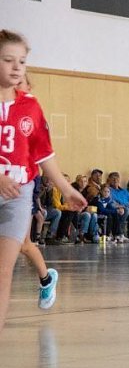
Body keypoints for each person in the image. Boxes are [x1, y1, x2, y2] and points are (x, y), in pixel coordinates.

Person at [0, 30, 86, 333]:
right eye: (8, 60)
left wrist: (66, 188)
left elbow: (43, 153)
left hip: (19, 192)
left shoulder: (31, 108)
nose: (15, 68)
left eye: (21, 62)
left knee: (6, 267)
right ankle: (45, 278)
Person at [13, 75, 58, 308]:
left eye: (20, 82)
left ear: (28, 87)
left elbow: (44, 156)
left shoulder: (31, 112)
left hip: (23, 185)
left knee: (22, 243)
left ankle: (46, 279)